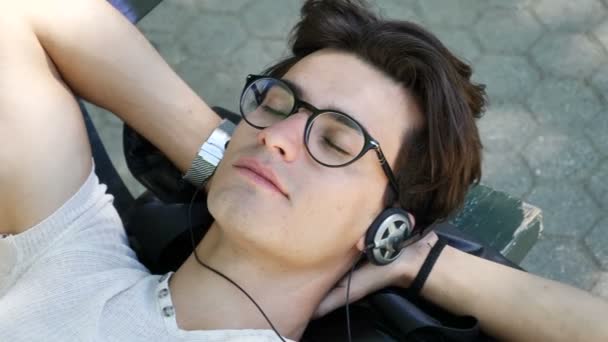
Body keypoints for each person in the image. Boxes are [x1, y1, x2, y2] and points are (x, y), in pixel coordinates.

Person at [0, 0, 606, 341]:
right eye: (277, 102)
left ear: (388, 226)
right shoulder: (74, 260)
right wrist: (220, 153)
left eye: (337, 141)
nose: (280, 136)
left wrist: (419, 261)